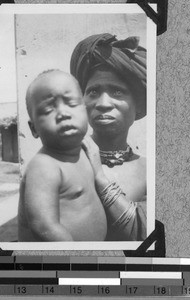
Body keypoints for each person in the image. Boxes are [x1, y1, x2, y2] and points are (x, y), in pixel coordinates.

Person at [70, 33, 147, 241]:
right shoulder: (62, 164)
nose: (103, 103)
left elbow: (146, 234)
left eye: (118, 92)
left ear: (138, 105)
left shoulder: (151, 171)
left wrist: (99, 177)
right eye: (93, 91)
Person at [17, 69, 108, 241]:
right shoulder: (44, 166)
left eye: (71, 103)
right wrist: (74, 256)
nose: (63, 114)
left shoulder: (85, 151)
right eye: (48, 109)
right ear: (34, 128)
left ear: (85, 111)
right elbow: (43, 226)